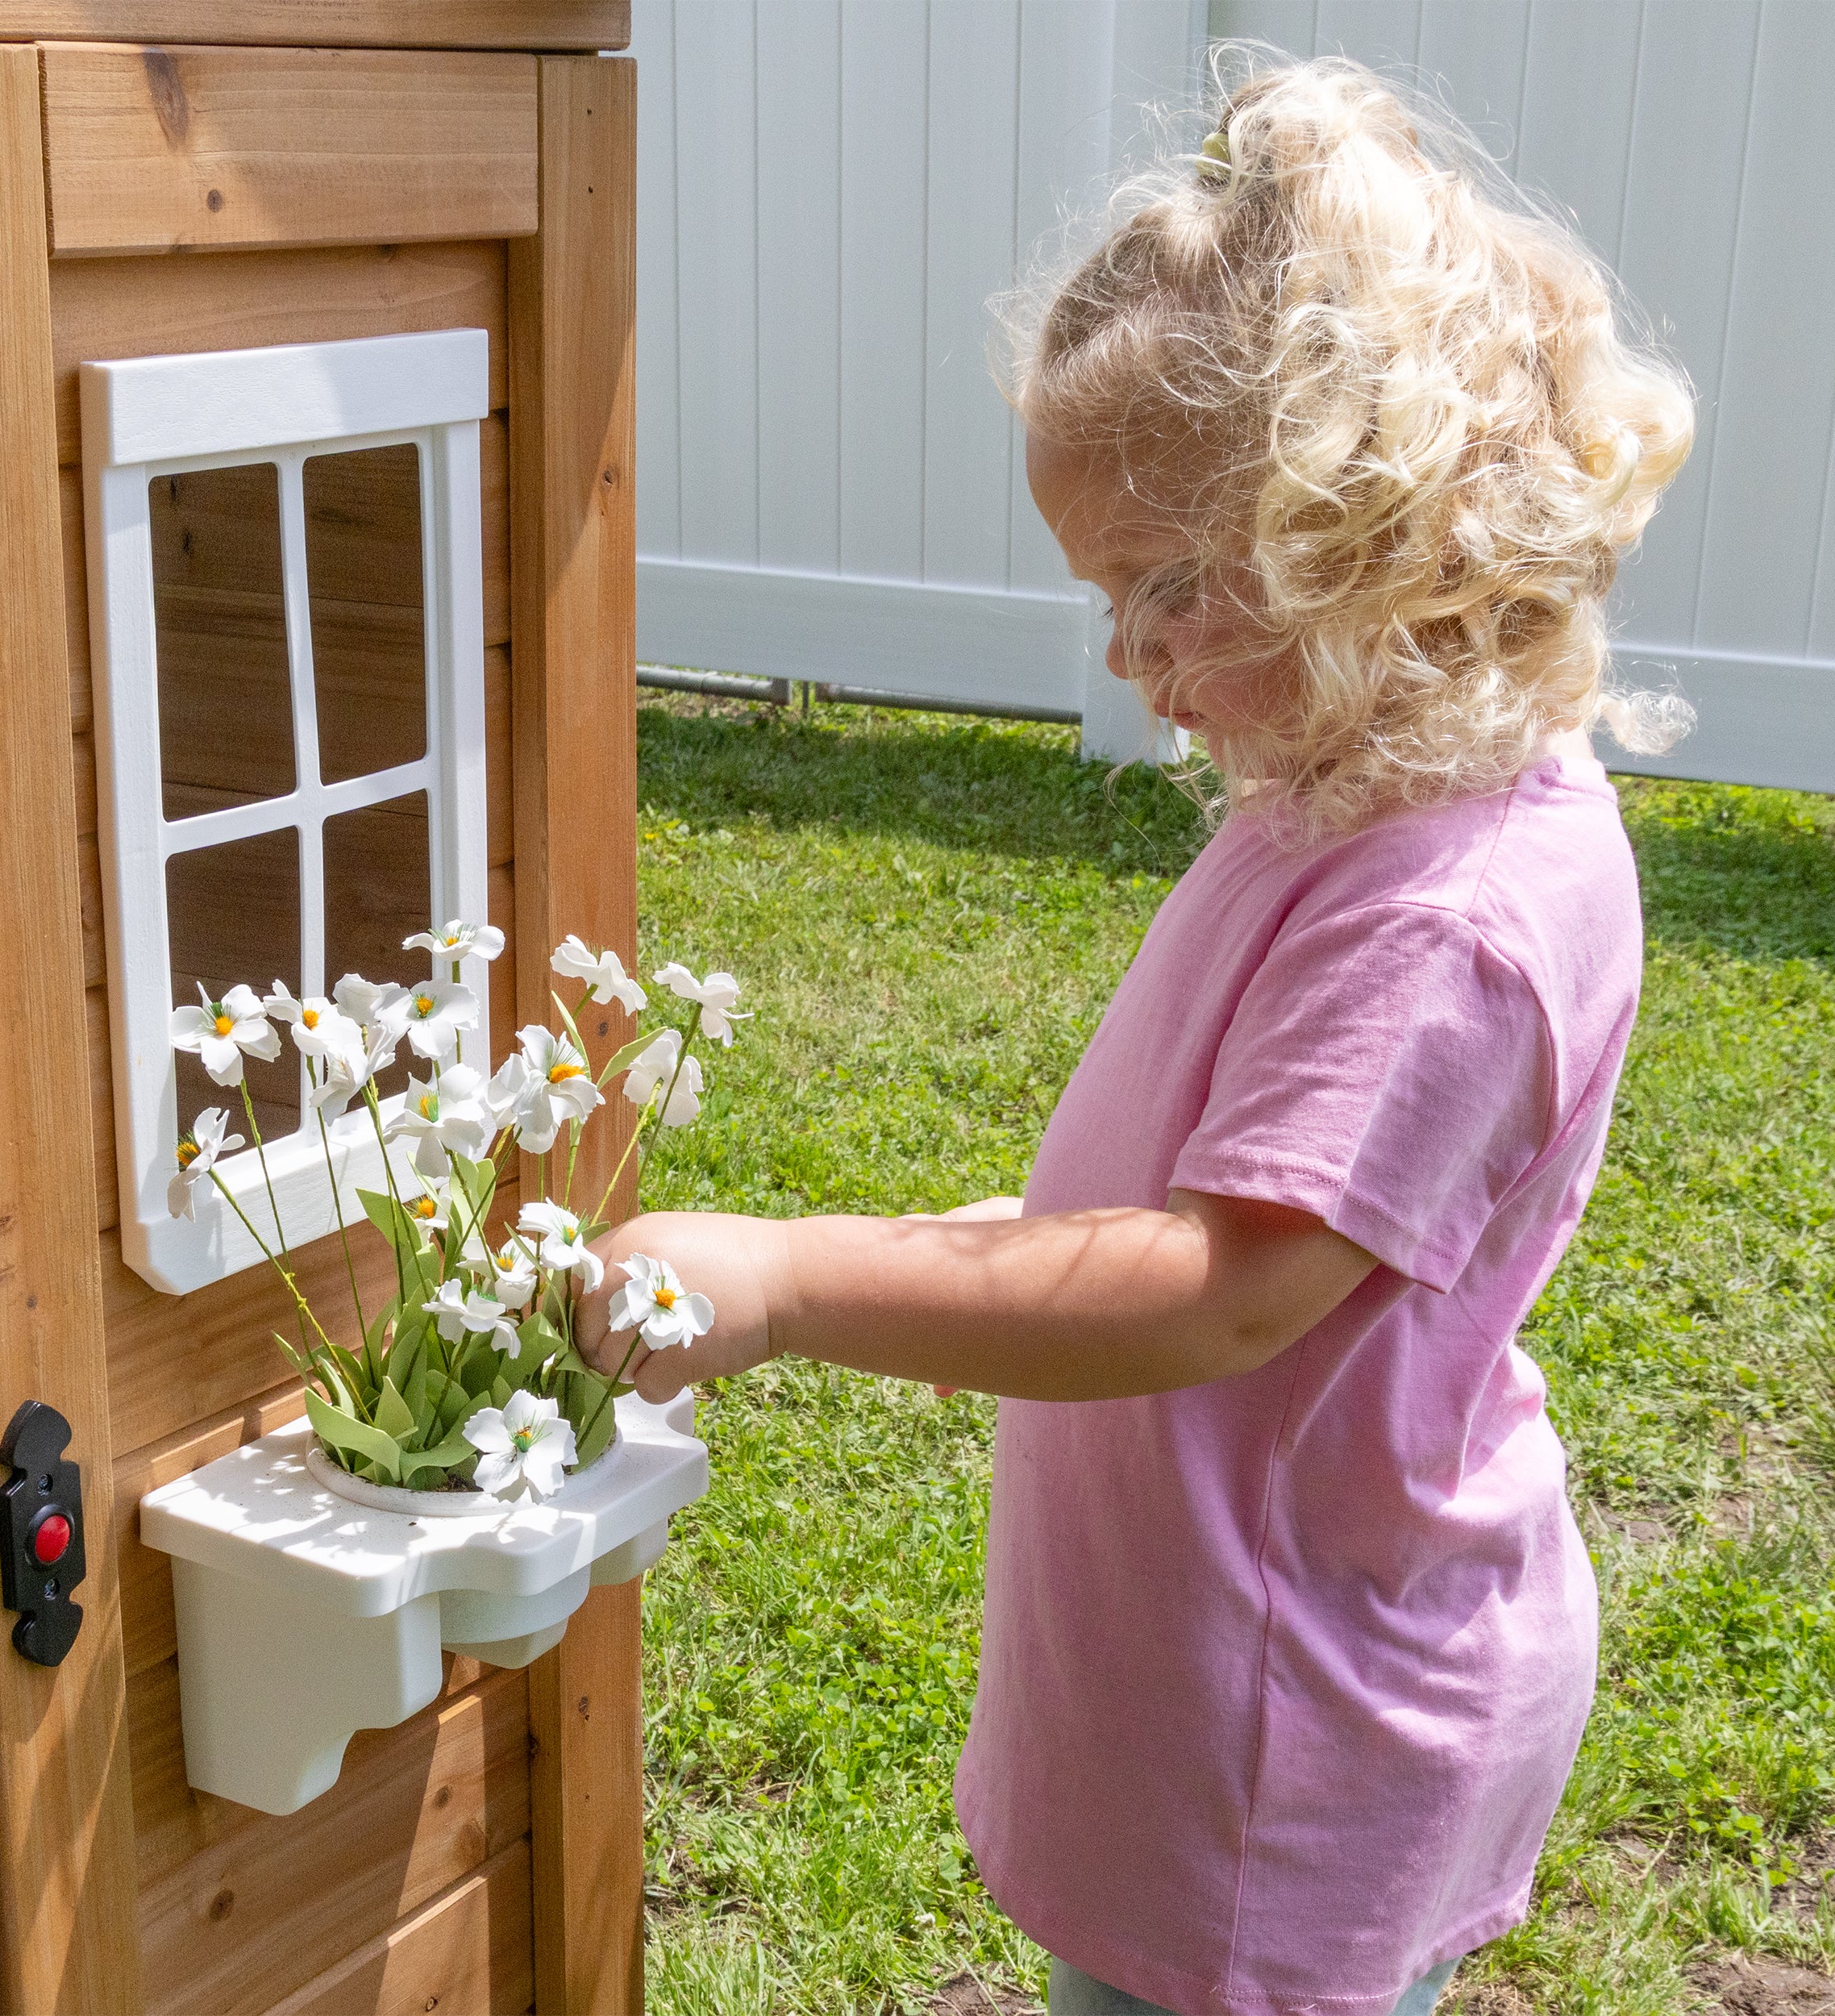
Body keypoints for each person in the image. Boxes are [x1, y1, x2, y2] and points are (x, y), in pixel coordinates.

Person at [581, 53, 1694, 2016]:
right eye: (1106, 593)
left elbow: (1217, 1292)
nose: (1122, 653)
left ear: (1371, 535)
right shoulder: (1342, 798)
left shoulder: (1447, 914)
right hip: (1218, 1662)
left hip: (1283, 1727)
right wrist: (965, 1242)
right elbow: (1216, 1195)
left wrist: (779, 1279)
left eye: (1164, 588)